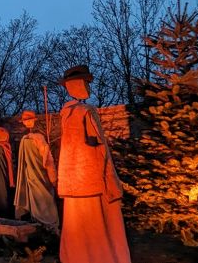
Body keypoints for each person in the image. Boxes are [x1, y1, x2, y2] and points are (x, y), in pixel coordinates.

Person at [58, 65, 130, 263]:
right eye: (86, 83)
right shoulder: (86, 112)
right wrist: (110, 181)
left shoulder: (65, 115)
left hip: (73, 182)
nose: (89, 88)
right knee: (99, 225)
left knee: (77, 225)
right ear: (77, 85)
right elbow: (101, 151)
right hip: (92, 180)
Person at [14, 110, 59, 233]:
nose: (27, 123)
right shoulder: (35, 138)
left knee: (41, 197)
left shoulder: (26, 139)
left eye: (28, 120)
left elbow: (44, 158)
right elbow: (48, 160)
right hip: (37, 174)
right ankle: (46, 226)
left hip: (35, 174)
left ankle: (44, 226)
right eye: (26, 121)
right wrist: (53, 177)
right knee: (42, 198)